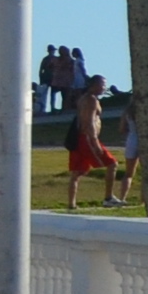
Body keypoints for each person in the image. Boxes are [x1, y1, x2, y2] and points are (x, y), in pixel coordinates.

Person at [63, 76, 111, 209]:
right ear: (94, 85)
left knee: (77, 172)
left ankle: (71, 203)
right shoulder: (91, 100)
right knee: (112, 164)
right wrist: (95, 141)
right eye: (102, 85)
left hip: (80, 137)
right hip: (87, 137)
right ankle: (108, 198)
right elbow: (89, 121)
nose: (104, 88)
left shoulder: (83, 98)